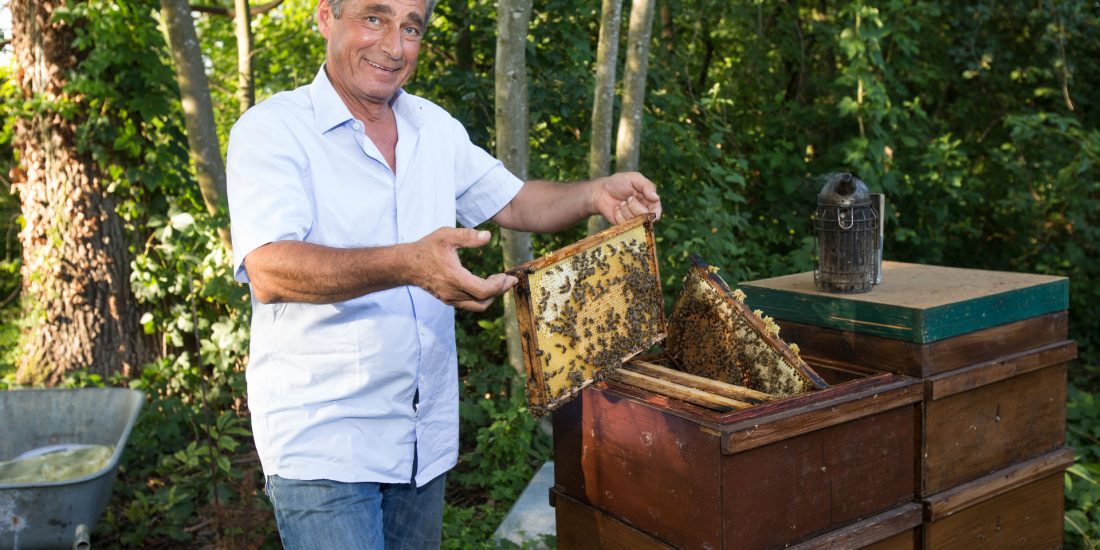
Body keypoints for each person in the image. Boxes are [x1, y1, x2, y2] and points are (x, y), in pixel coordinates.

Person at [226, 0, 662, 547]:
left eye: (411, 27)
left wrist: (596, 192)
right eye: (374, 18)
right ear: (325, 17)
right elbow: (269, 267)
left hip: (420, 442)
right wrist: (408, 264)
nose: (394, 45)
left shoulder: (433, 127)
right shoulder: (273, 129)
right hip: (324, 443)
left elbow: (517, 201)